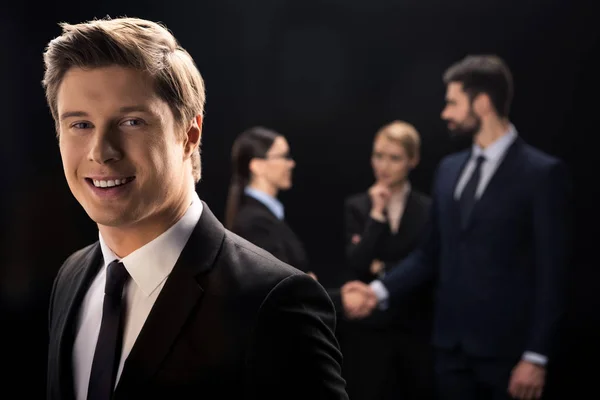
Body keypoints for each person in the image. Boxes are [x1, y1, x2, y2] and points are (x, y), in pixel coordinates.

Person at [43, 17, 348, 400]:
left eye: (132, 121)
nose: (101, 151)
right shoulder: (71, 278)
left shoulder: (274, 303)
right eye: (81, 125)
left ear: (190, 135)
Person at [346, 55, 572, 400]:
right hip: (449, 352)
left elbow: (553, 273)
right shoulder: (449, 170)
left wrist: (536, 356)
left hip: (508, 357)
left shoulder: (541, 174)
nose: (445, 113)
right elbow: (428, 254)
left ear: (481, 103)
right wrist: (377, 293)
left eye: (452, 103)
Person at [224, 126, 376, 315]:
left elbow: (294, 286)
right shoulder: (254, 222)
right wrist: (339, 300)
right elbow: (282, 294)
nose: (291, 163)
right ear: (257, 166)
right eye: (284, 156)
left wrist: (323, 290)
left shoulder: (264, 216)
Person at [341, 121, 434, 400]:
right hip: (371, 329)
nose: (383, 165)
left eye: (394, 158)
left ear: (412, 160)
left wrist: (381, 268)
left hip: (415, 325)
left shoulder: (429, 209)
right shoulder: (358, 206)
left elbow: (427, 264)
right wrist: (378, 214)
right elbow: (358, 263)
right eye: (378, 156)